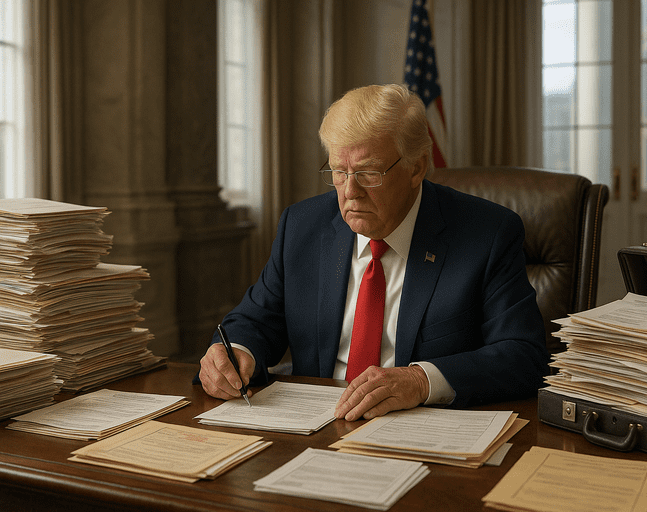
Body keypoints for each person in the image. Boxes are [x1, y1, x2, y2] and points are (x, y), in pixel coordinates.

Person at [198, 83, 548, 421]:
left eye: (368, 173)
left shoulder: (487, 233)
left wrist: (421, 381)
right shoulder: (303, 226)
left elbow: (524, 355)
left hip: (424, 431)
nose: (350, 191)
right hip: (312, 427)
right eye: (338, 171)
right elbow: (254, 321)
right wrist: (233, 354)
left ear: (416, 168)